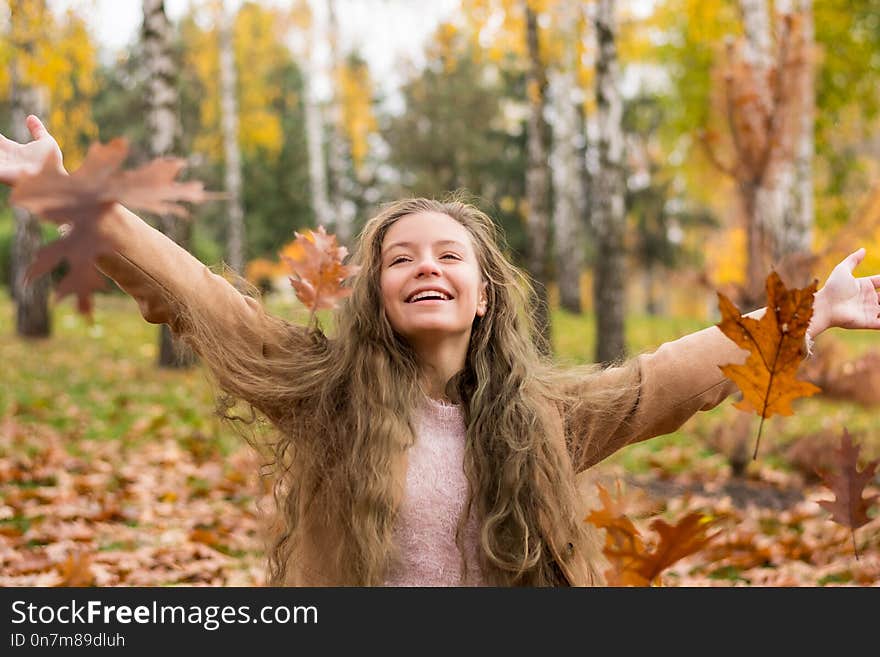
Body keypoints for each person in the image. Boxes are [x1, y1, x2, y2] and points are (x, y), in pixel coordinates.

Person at [2, 116, 879, 586]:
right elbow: (193, 293)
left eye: (449, 255)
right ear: (377, 291)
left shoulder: (548, 417)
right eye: (401, 257)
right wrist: (69, 196)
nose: (426, 266)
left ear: (484, 291)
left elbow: (673, 376)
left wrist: (814, 313)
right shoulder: (322, 391)